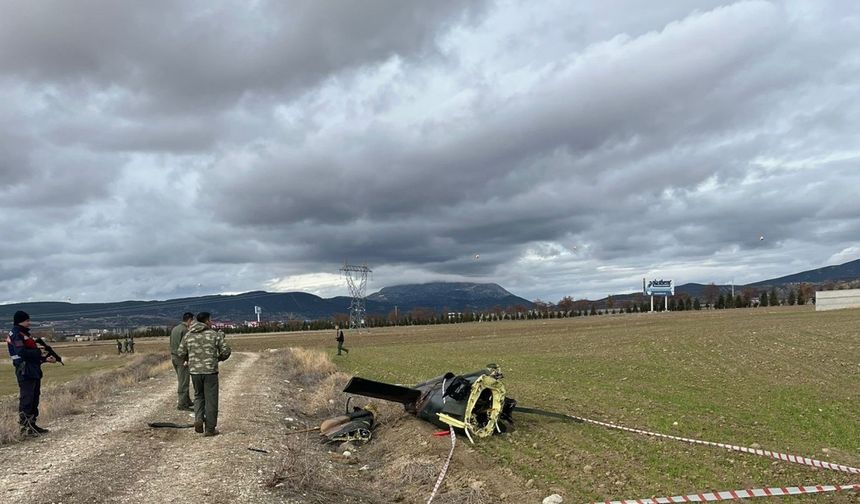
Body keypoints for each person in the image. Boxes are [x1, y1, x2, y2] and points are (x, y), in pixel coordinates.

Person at [178, 312, 231, 436]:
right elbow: (226, 351)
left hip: (195, 372)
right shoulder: (214, 335)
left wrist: (190, 358)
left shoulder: (188, 335)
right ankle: (210, 429)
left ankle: (198, 419)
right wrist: (217, 359)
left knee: (198, 396)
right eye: (210, 320)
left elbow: (180, 352)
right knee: (211, 399)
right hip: (210, 372)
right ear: (207, 321)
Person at [6, 311, 57, 436]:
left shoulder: (24, 333)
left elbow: (30, 355)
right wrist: (39, 352)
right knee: (27, 399)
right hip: (25, 371)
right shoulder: (17, 334)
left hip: (32, 369)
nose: (29, 322)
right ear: (21, 321)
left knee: (34, 398)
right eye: (27, 320)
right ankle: (25, 429)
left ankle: (32, 425)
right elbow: (22, 353)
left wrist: (44, 359)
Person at [169, 313, 194, 410]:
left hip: (174, 357)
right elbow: (186, 347)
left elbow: (171, 342)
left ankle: (187, 401)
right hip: (181, 359)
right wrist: (186, 359)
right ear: (189, 320)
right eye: (192, 321)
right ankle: (182, 404)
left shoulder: (175, 329)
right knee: (184, 382)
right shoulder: (185, 330)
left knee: (181, 379)